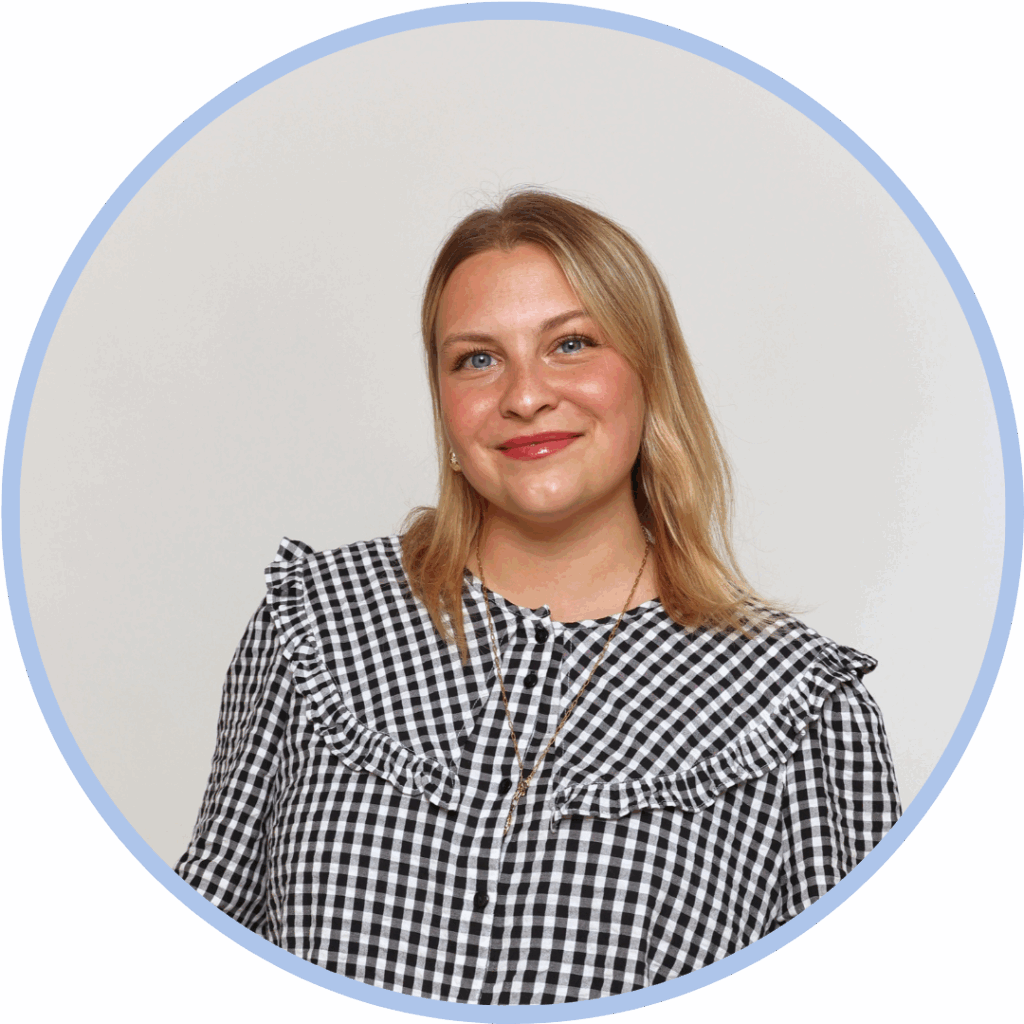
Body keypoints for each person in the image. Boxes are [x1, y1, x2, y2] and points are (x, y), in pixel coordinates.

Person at [175, 189, 901, 1005]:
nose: (524, 395)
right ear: (443, 403)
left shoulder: (796, 711)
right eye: (477, 359)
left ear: (648, 376)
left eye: (571, 344)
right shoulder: (315, 625)